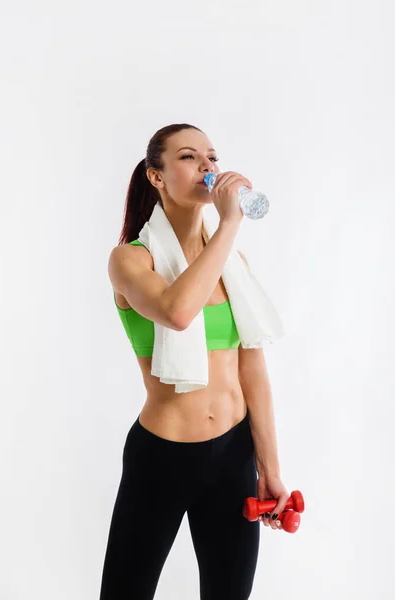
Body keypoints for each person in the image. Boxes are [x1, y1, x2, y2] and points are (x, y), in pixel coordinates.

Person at [100, 123, 289, 600]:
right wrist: (227, 224)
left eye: (212, 156)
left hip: (234, 456)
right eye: (188, 157)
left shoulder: (233, 263)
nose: (208, 166)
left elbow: (253, 373)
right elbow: (178, 312)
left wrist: (269, 468)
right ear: (156, 177)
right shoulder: (130, 261)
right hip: (163, 455)